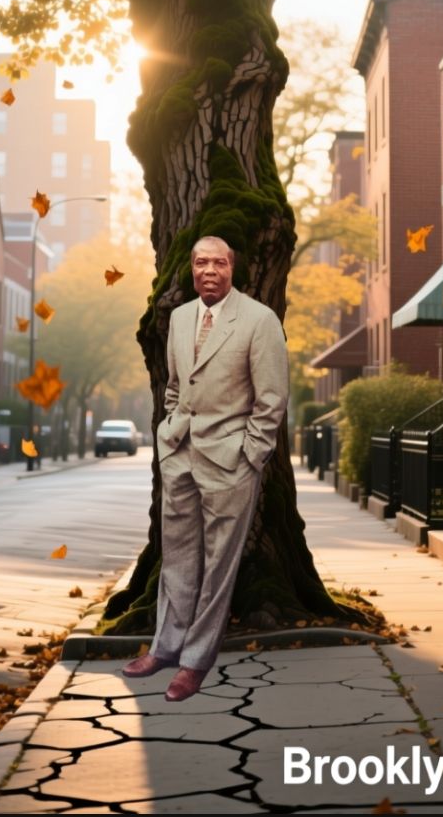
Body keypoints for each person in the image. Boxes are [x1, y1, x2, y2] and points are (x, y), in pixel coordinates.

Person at [123, 235, 289, 702]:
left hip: (230, 463)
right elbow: (175, 387)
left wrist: (249, 455)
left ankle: (195, 661)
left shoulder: (259, 320)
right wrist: (169, 435)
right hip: (181, 458)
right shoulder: (178, 319)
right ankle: (166, 647)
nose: (209, 270)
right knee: (176, 558)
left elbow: (272, 400)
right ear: (192, 269)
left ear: (231, 267)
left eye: (218, 262)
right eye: (201, 263)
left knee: (218, 568)